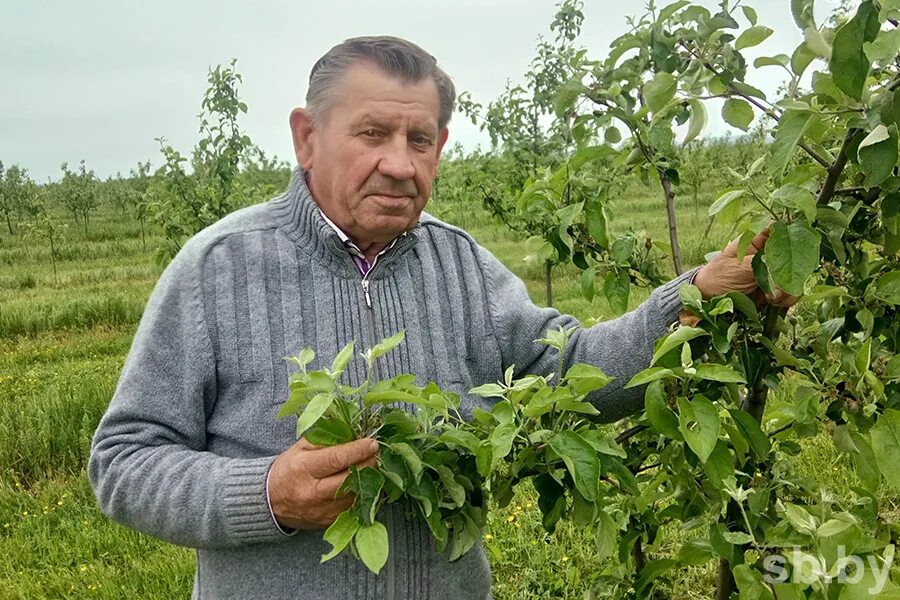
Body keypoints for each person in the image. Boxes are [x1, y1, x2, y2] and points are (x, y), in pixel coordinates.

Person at [89, 36, 792, 600]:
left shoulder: (460, 264)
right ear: (307, 137)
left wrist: (700, 294)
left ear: (441, 149)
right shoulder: (217, 269)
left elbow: (569, 373)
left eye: (419, 139)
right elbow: (123, 461)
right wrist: (266, 493)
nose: (399, 164)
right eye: (372, 133)